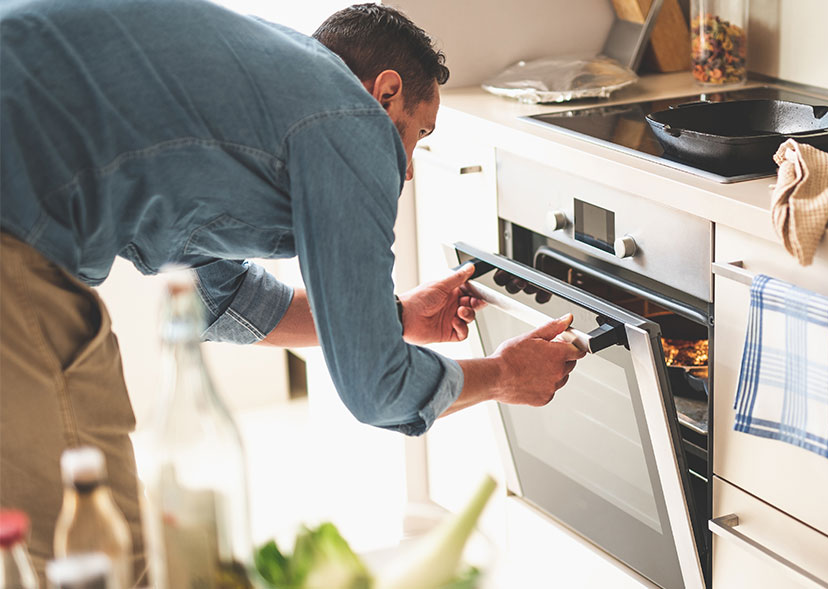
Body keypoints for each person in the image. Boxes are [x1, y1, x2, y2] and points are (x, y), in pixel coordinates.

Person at [0, 0, 585, 583]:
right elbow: (377, 390)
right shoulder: (350, 118)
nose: (406, 169)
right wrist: (504, 375)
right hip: (16, 230)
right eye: (419, 133)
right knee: (103, 552)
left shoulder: (251, 100)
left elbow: (218, 302)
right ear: (384, 94)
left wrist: (396, 317)